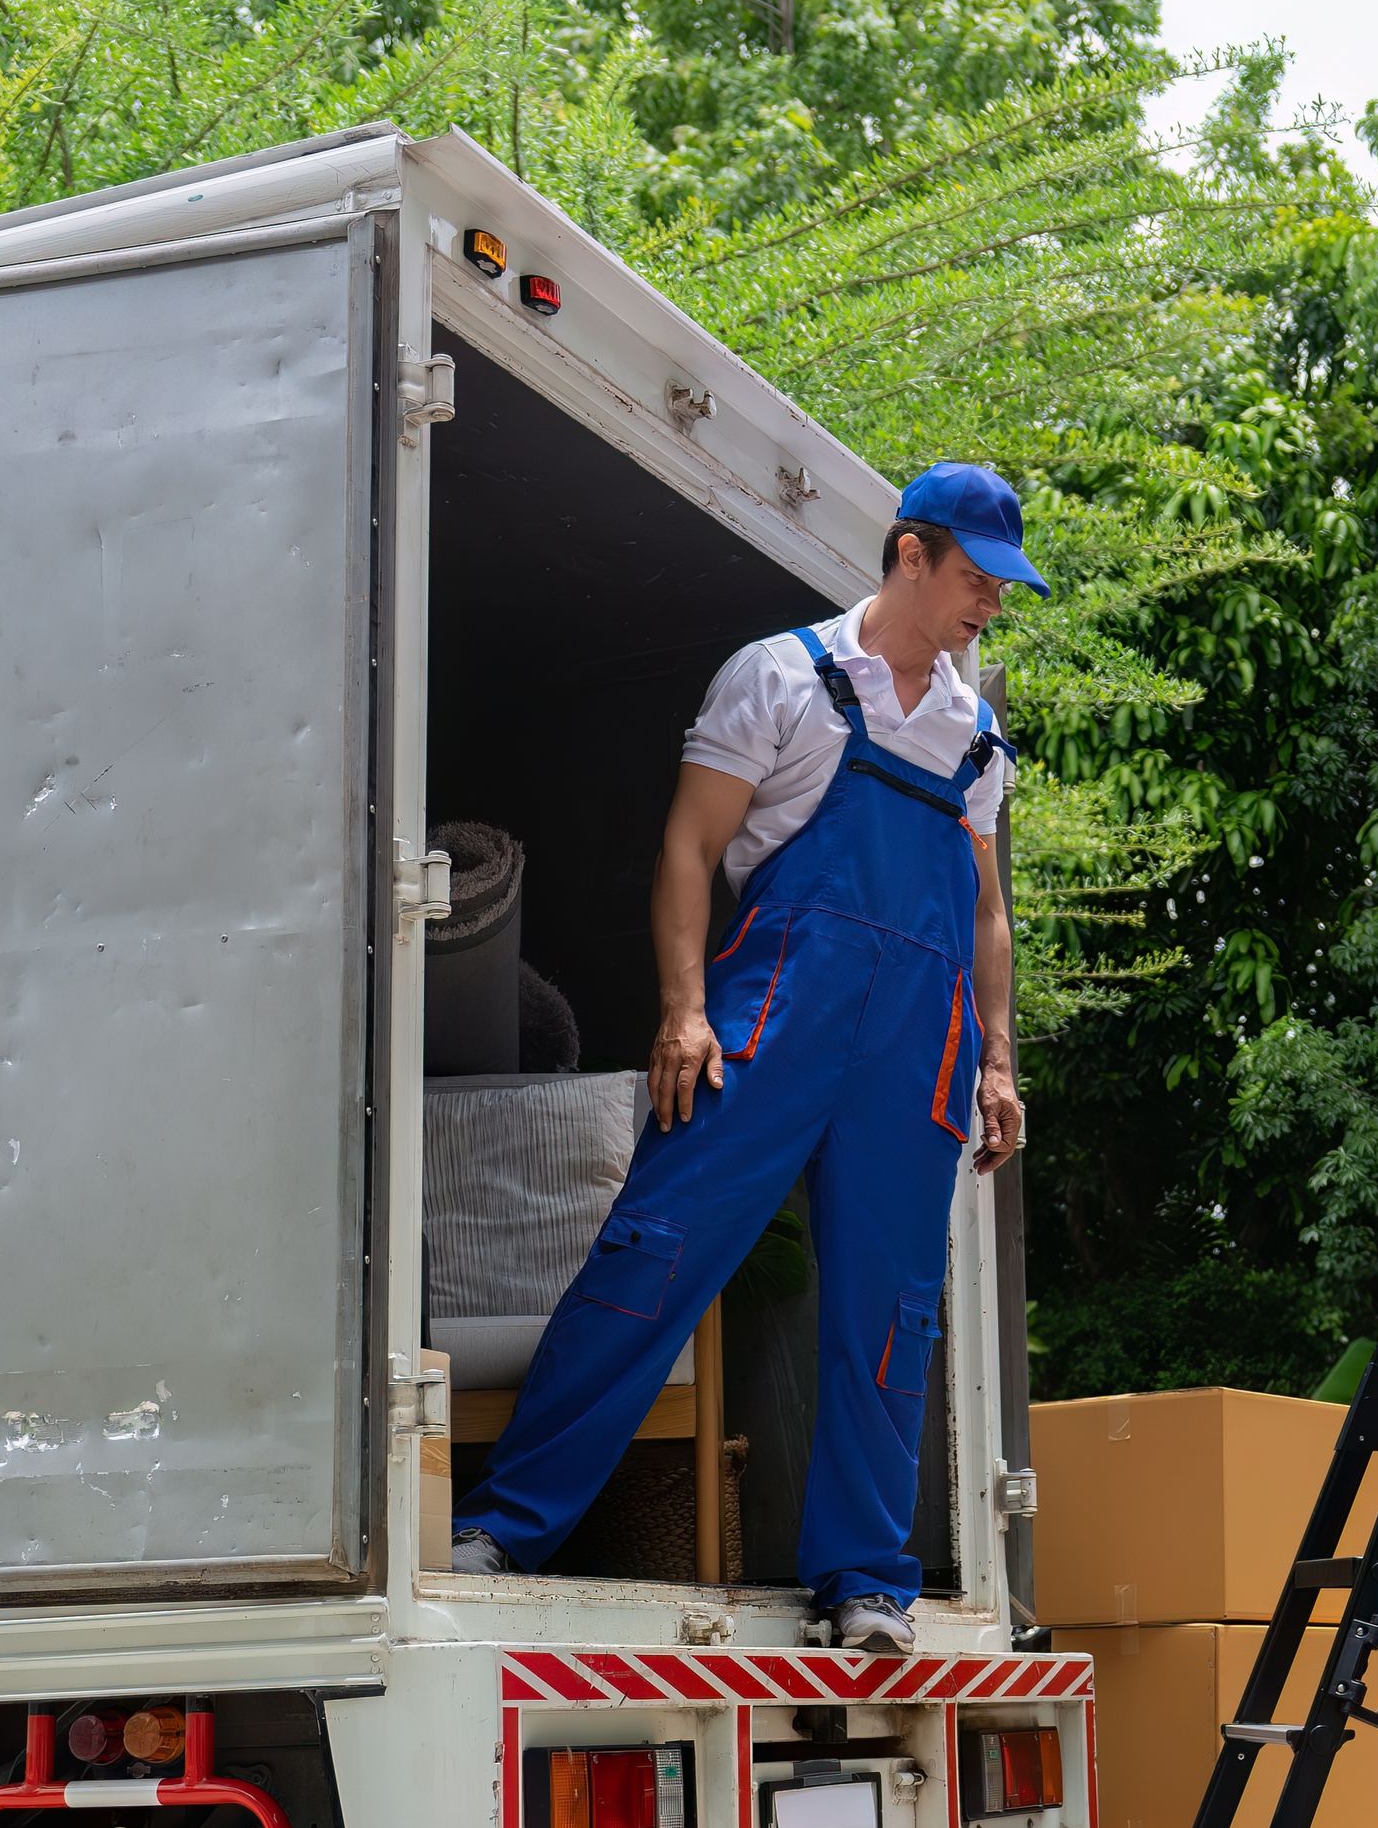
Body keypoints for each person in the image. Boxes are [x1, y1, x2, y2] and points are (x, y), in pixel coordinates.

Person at [447, 466, 1043, 1651]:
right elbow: (690, 844)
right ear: (910, 555)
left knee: (891, 1313)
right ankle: (510, 1521)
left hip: (916, 1048)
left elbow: (984, 914)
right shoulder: (785, 677)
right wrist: (682, 1009)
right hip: (770, 1023)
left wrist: (997, 1062)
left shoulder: (973, 732)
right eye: (975, 577)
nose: (989, 603)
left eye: (1001, 585)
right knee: (651, 1255)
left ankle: (867, 1580)